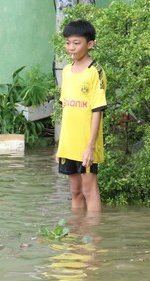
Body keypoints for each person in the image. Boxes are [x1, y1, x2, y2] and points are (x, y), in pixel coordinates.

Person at [56, 19, 107, 212]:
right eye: (68, 42)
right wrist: (61, 145)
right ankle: (76, 236)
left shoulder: (96, 71)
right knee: (75, 191)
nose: (71, 48)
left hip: (87, 144)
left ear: (90, 44)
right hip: (68, 144)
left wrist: (90, 147)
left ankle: (92, 238)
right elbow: (66, 109)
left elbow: (97, 110)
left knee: (89, 190)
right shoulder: (67, 71)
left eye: (77, 43)